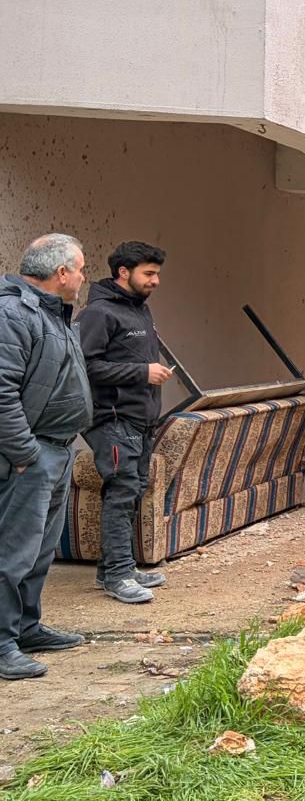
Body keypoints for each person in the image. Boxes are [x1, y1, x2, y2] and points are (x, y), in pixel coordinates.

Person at [0, 234, 93, 680]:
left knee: (39, 552)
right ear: (61, 274)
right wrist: (24, 454)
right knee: (12, 552)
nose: (82, 277)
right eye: (80, 268)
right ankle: (2, 643)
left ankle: (26, 627)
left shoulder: (54, 314)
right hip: (30, 455)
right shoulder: (13, 314)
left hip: (56, 449)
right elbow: (1, 392)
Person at [75, 241, 173, 605]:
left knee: (131, 490)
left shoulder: (140, 311)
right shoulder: (98, 314)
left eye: (157, 273)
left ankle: (116, 567)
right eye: (149, 273)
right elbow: (85, 366)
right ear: (123, 273)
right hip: (111, 419)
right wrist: (141, 372)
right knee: (121, 491)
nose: (156, 281)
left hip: (139, 419)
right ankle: (118, 575)